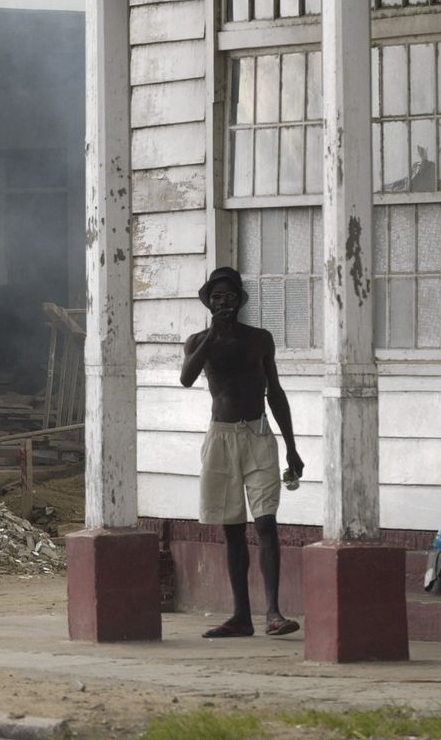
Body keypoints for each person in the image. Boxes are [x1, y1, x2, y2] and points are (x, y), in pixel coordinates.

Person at [179, 266, 304, 638]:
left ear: (240, 301)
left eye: (230, 297)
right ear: (208, 302)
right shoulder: (198, 340)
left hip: (259, 435)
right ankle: (241, 617)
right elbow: (186, 378)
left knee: (265, 522)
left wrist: (293, 449)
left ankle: (274, 614)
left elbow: (276, 393)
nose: (224, 303)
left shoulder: (259, 339)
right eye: (217, 298)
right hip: (220, 438)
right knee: (232, 527)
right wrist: (211, 337)